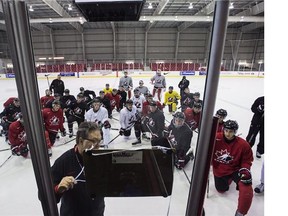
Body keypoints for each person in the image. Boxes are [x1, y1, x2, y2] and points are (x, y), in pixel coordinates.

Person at [50, 122, 105, 216]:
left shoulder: (102, 159)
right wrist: (58, 189)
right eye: (93, 141)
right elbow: (44, 195)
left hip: (97, 212)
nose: (97, 146)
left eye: (99, 141)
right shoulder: (64, 161)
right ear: (80, 141)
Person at [212, 120, 253, 216]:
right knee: (221, 190)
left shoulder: (243, 145)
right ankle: (228, 179)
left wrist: (245, 170)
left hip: (235, 169)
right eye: (226, 130)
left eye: (231, 131)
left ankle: (240, 213)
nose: (228, 133)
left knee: (246, 185)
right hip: (220, 170)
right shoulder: (215, 138)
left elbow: (247, 160)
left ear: (235, 132)